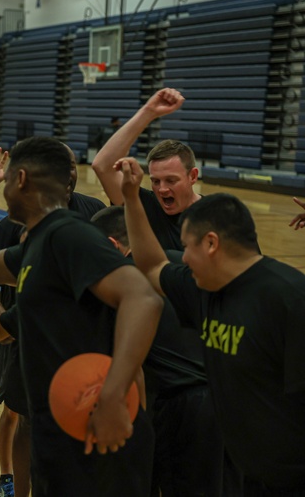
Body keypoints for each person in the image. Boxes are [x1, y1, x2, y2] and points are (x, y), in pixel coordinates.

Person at [0, 137, 162, 496]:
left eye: (8, 178)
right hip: (58, 425)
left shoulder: (70, 235)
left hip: (93, 425)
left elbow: (143, 299)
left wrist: (111, 396)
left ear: (22, 179)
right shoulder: (39, 240)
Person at [118, 156, 305, 493]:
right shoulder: (201, 287)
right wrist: (131, 199)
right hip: (245, 462)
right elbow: (151, 265)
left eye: (188, 247)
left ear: (211, 243)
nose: (183, 257)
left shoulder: (287, 299)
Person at [90, 205, 225, 497]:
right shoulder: (179, 264)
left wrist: (137, 433)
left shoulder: (119, 286)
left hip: (178, 407)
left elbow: (134, 368)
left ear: (113, 246)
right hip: (224, 399)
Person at [91, 88, 197, 250]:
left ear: (193, 176)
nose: (162, 189)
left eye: (171, 180)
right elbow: (103, 166)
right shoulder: (144, 206)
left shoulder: (213, 215)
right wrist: (149, 111)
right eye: (155, 181)